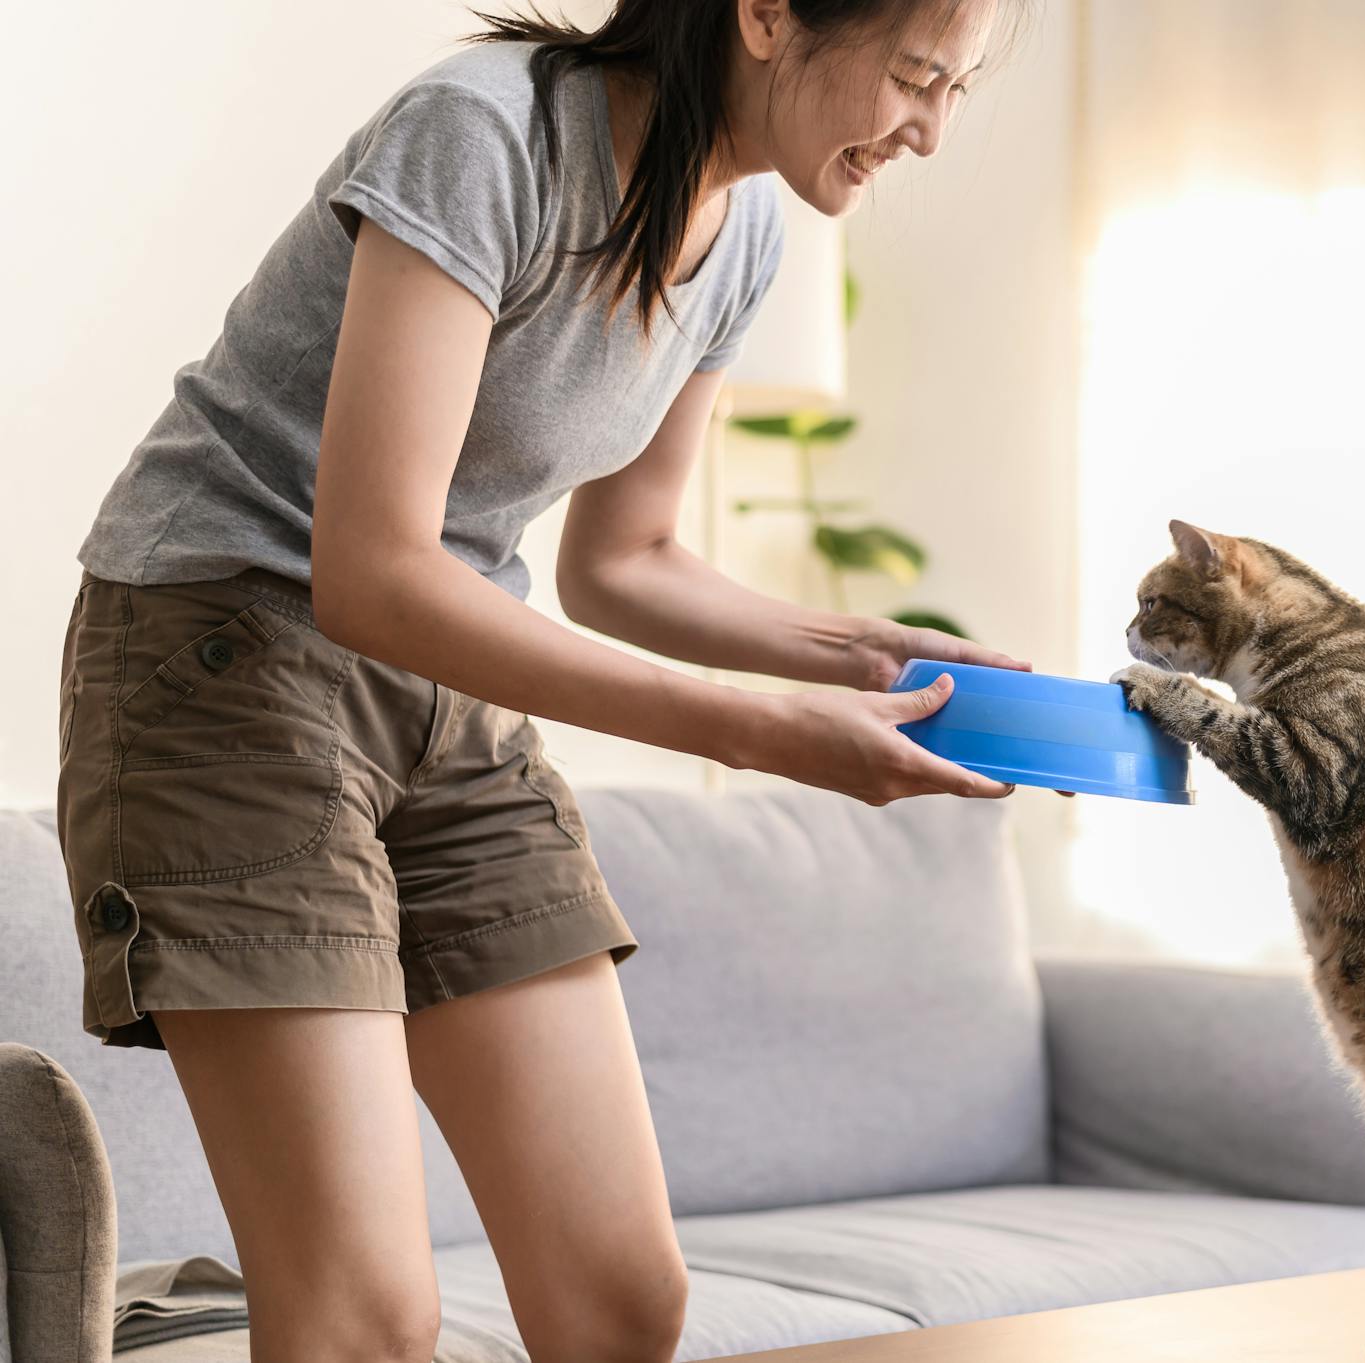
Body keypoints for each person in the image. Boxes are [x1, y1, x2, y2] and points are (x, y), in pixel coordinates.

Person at [52, 1, 1023, 1359]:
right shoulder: (486, 130)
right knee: (365, 1319)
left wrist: (860, 656)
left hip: (444, 692)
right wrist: (758, 728)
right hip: (221, 656)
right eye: (919, 75)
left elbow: (623, 561)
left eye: (958, 91)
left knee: (622, 1300)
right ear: (763, 14)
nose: (929, 129)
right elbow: (373, 569)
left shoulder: (745, 233)